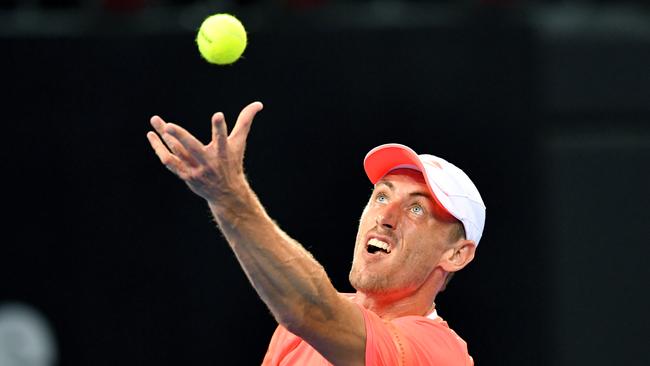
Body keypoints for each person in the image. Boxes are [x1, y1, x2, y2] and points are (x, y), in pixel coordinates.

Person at [146, 101, 486, 365]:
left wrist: (229, 197)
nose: (386, 215)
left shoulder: (439, 352)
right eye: (382, 195)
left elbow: (309, 309)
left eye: (417, 209)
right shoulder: (296, 333)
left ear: (456, 254)